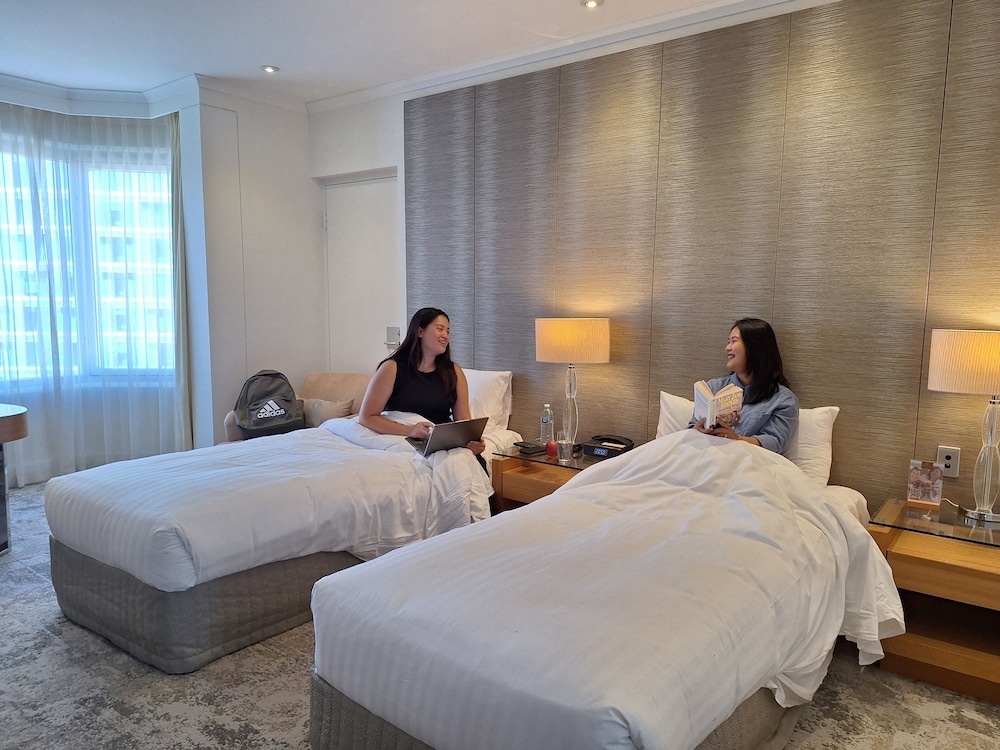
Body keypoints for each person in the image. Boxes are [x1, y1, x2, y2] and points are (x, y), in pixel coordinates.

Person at [358, 307, 485, 457]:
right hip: (400, 438)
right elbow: (367, 417)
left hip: (438, 441)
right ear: (420, 332)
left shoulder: (454, 372)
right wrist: (410, 430)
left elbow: (463, 421)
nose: (446, 336)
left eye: (448, 331)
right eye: (440, 329)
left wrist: (473, 441)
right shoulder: (391, 368)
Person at [690, 318, 799, 455]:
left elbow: (776, 442)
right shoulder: (713, 388)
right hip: (705, 455)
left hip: (748, 459)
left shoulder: (783, 400)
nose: (727, 348)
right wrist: (698, 428)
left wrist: (735, 439)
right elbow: (690, 429)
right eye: (728, 342)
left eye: (733, 341)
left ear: (755, 347)